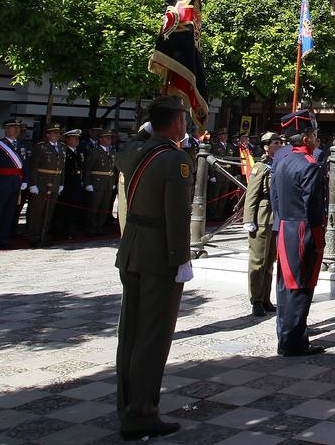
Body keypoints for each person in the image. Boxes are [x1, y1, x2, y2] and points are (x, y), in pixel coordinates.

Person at [113, 95, 193, 441]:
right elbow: (177, 215)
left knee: (130, 333)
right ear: (176, 122)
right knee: (153, 336)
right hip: (160, 253)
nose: (186, 125)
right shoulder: (175, 160)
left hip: (131, 249)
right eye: (184, 119)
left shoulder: (135, 152)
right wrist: (182, 258)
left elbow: (129, 144)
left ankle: (127, 403)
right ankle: (142, 411)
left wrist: (148, 129)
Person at [272, 111, 327, 357]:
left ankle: (284, 335)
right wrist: (319, 239)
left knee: (285, 284)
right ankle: (294, 342)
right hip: (303, 229)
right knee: (300, 285)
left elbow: (275, 197)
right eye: (313, 134)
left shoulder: (281, 161)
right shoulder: (309, 166)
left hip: (284, 226)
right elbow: (313, 207)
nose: (316, 139)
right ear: (305, 138)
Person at [244, 132, 281, 317]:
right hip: (262, 216)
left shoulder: (278, 164)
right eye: (275, 143)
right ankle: (256, 300)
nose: (279, 145)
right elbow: (251, 195)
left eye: (280, 142)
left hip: (275, 218)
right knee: (257, 261)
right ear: (266, 146)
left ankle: (266, 298)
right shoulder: (261, 167)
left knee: (269, 262)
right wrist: (248, 219)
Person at [0, 118, 27, 249]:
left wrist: (25, 180)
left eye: (18, 128)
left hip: (15, 183)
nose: (17, 130)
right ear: (7, 129)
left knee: (9, 213)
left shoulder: (20, 145)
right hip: (1, 183)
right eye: (14, 127)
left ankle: (4, 238)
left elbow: (25, 165)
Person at [28, 124, 67, 246]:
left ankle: (44, 235)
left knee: (49, 211)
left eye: (58, 133)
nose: (56, 135)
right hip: (42, 182)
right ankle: (34, 237)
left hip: (55, 181)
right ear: (48, 134)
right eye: (54, 133)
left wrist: (61, 182)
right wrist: (33, 184)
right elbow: (34, 166)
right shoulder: (41, 147)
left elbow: (62, 167)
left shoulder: (61, 147)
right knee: (38, 211)